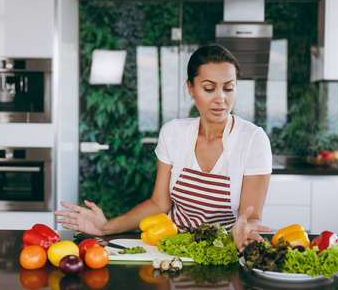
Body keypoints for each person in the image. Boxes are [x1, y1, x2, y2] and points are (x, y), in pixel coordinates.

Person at [55, 44, 273, 252]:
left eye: (228, 88)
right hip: (171, 251)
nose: (221, 99)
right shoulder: (174, 134)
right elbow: (159, 203)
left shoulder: (253, 139)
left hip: (225, 252)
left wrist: (246, 231)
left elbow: (251, 217)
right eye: (209, 88)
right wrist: (106, 227)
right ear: (191, 88)